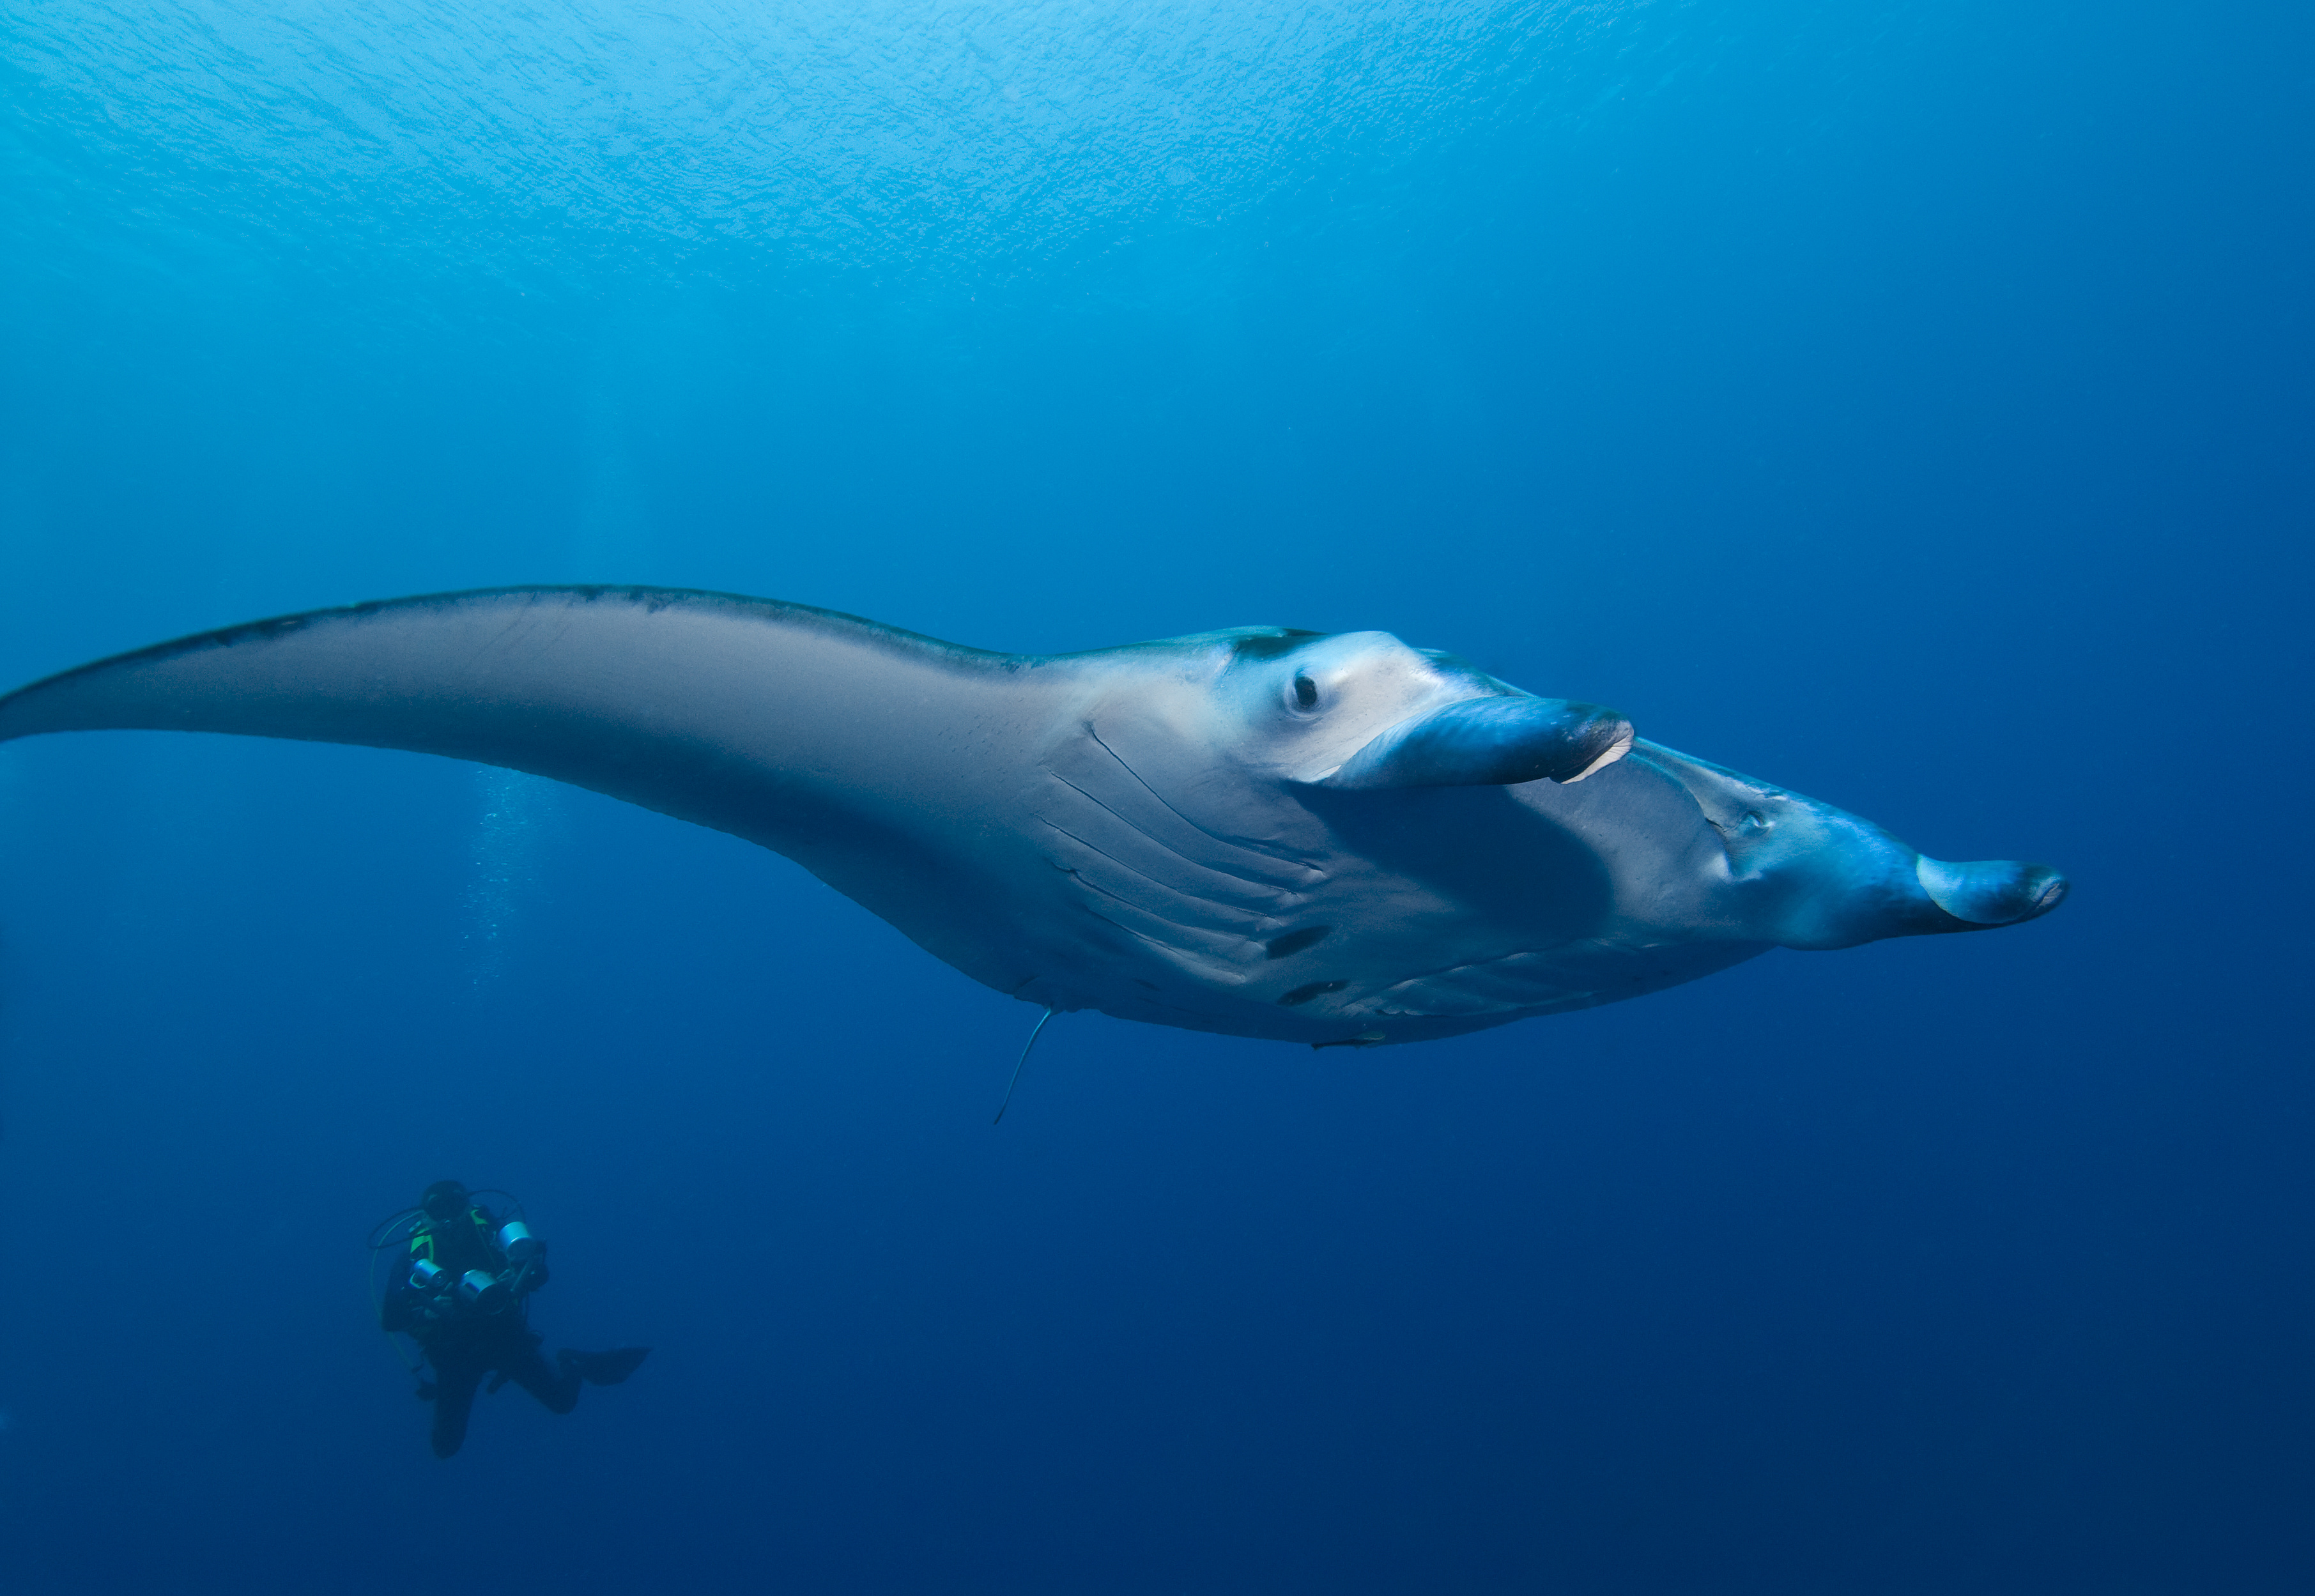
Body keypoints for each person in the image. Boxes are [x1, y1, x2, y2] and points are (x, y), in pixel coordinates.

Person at [379, 1179, 649, 1459]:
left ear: (468, 1206)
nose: (449, 1217)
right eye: (438, 1210)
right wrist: (432, 1307)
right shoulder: (415, 1257)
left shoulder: (491, 1234)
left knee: (563, 1403)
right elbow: (391, 1319)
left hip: (505, 1338)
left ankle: (571, 1361)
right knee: (445, 1446)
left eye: (455, 1206)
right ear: (425, 1217)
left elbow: (539, 1273)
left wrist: (520, 1276)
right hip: (454, 1355)